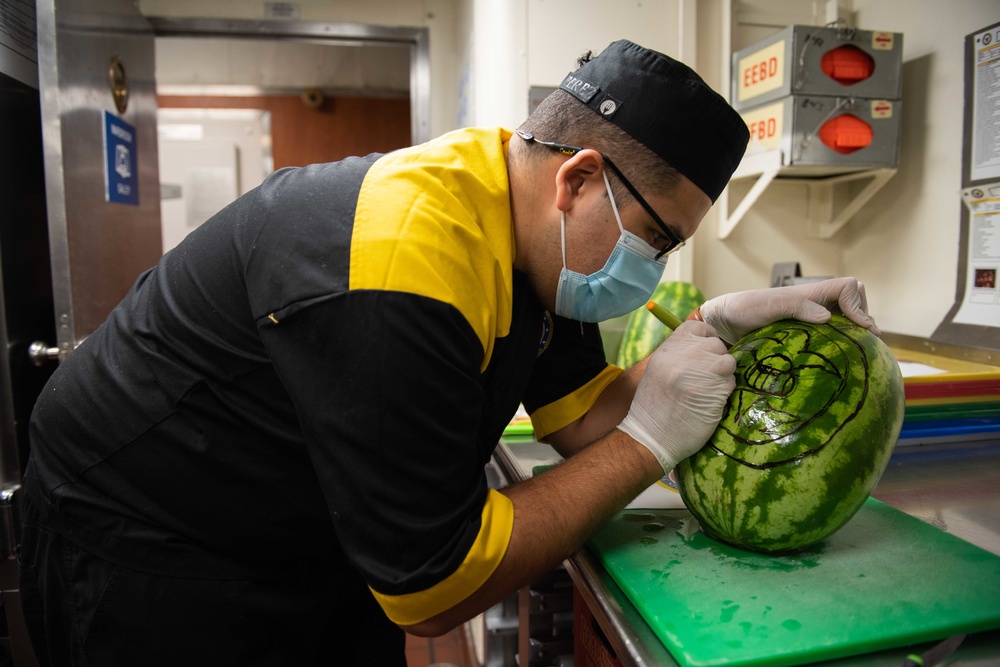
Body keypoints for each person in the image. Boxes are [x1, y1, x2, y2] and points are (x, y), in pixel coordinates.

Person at [18, 39, 878, 666]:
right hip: (149, 528)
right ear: (576, 179)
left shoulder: (530, 227)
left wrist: (715, 330)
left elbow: (584, 419)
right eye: (656, 238)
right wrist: (648, 443)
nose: (650, 270)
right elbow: (433, 587)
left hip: (311, 525)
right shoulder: (405, 262)